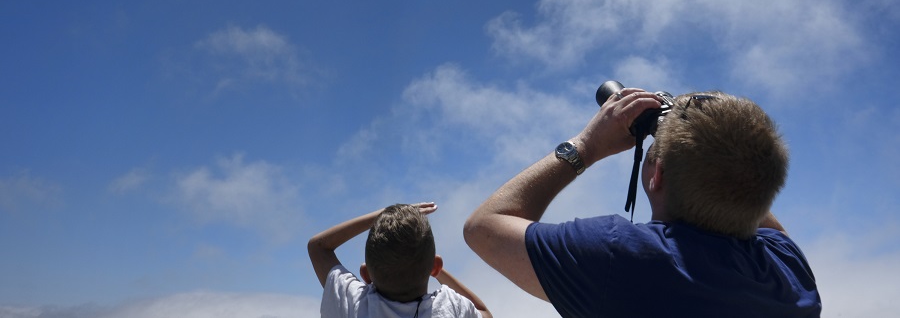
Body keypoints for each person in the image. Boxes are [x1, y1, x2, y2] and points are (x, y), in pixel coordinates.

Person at [464, 87, 822, 317]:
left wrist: (587, 144)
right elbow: (750, 194)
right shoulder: (788, 270)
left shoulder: (620, 257)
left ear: (657, 176)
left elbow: (484, 227)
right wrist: (707, 133)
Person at [309, 202, 492, 318]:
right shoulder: (450, 307)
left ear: (365, 274)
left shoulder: (354, 304)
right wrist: (427, 265)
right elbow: (483, 312)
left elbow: (318, 247)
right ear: (435, 267)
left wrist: (381, 214)